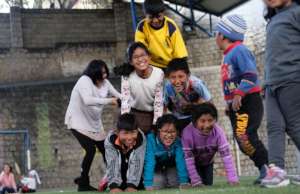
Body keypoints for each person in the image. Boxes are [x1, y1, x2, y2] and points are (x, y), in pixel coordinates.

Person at [215, 14, 269, 184]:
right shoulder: (229, 54)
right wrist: (230, 103)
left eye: (216, 33)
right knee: (242, 139)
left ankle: (268, 169)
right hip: (237, 104)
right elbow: (232, 82)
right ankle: (264, 168)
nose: (215, 37)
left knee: (247, 135)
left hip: (249, 101)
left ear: (222, 35)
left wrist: (239, 94)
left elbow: (251, 75)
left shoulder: (239, 50)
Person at [65, 59, 121, 191]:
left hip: (94, 122)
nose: (105, 76)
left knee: (106, 149)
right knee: (90, 149)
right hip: (78, 120)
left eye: (106, 72)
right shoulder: (84, 80)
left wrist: (129, 99)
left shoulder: (105, 83)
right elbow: (88, 100)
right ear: (94, 73)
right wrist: (109, 101)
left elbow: (118, 95)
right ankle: (83, 183)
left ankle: (114, 180)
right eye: (101, 73)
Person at [261, 0, 300, 188]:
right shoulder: (273, 20)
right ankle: (276, 171)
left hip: (292, 79)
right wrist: (265, 81)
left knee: (295, 126)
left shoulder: (297, 12)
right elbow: (272, 55)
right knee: (273, 127)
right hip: (271, 84)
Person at [182, 103, 239, 186]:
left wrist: (232, 179)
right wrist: (195, 180)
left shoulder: (218, 133)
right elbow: (188, 160)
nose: (207, 125)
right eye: (202, 121)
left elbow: (227, 157)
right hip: (193, 164)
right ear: (195, 122)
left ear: (215, 120)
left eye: (210, 120)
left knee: (208, 185)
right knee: (197, 186)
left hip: (208, 163)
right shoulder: (187, 134)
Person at [114, 42, 164, 134]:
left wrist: (156, 123)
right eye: (136, 57)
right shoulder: (126, 75)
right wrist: (126, 124)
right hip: (134, 113)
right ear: (131, 62)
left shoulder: (158, 73)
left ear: (149, 57)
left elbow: (158, 101)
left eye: (143, 55)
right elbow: (126, 101)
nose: (140, 59)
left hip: (151, 114)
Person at [135, 0, 188, 70]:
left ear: (163, 13)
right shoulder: (142, 27)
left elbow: (180, 53)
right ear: (145, 15)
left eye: (159, 16)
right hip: (151, 65)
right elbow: (139, 50)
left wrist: (181, 69)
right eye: (150, 17)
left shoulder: (170, 25)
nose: (155, 21)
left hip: (170, 65)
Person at [164, 58, 211, 133]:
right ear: (168, 77)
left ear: (188, 75)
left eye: (181, 77)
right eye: (173, 77)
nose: (177, 81)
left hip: (197, 117)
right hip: (178, 118)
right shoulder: (167, 87)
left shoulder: (196, 85)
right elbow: (164, 107)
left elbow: (209, 104)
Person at [143, 114, 190, 190]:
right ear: (158, 131)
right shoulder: (150, 140)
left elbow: (180, 161)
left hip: (171, 166)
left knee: (176, 183)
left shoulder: (178, 141)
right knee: (156, 185)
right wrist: (148, 183)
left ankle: (169, 180)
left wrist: (184, 181)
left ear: (177, 132)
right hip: (156, 168)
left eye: (172, 132)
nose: (169, 135)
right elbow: (149, 162)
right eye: (165, 131)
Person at [105, 113, 146, 193]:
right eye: (125, 133)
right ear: (117, 132)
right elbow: (112, 162)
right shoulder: (110, 140)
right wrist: (113, 186)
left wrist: (132, 185)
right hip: (119, 172)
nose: (130, 138)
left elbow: (138, 162)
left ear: (137, 131)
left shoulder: (141, 139)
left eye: (133, 132)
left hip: (136, 179)